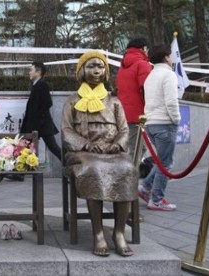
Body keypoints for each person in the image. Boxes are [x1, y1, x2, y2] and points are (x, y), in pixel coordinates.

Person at [61, 50, 138, 257]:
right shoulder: (72, 101)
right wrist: (86, 144)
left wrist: (117, 144)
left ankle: (119, 233)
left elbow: (123, 129)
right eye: (91, 66)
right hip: (83, 153)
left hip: (112, 151)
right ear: (81, 71)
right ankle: (99, 234)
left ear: (106, 71)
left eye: (100, 66)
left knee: (127, 169)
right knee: (93, 170)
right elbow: (67, 130)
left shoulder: (114, 101)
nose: (96, 70)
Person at [0, 61, 62, 184]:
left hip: (40, 126)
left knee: (53, 148)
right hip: (37, 126)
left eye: (31, 70)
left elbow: (48, 103)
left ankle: (72, 170)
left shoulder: (42, 85)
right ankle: (18, 174)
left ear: (38, 72)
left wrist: (37, 119)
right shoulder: (36, 85)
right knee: (22, 148)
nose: (29, 72)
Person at [137, 45, 181, 211]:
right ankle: (157, 199)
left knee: (162, 161)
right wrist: (176, 119)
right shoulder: (168, 74)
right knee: (166, 164)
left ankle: (145, 187)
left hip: (151, 124)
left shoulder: (151, 76)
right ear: (166, 58)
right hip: (165, 123)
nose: (172, 59)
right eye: (170, 56)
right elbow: (171, 101)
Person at [115, 38, 152, 159]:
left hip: (125, 113)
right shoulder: (142, 64)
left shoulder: (122, 67)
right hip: (139, 114)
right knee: (136, 149)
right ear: (143, 49)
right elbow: (147, 90)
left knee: (137, 147)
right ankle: (129, 176)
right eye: (147, 49)